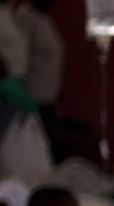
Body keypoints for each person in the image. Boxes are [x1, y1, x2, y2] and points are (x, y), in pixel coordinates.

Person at [10, 0, 61, 132]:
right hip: (32, 98)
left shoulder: (44, 18)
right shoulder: (25, 18)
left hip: (48, 97)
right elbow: (18, 57)